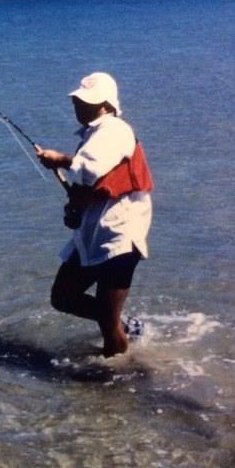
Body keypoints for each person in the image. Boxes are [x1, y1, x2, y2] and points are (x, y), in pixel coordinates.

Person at [34, 72, 153, 357]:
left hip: (120, 236)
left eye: (89, 102)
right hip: (92, 235)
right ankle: (127, 327)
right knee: (62, 297)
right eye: (78, 101)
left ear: (108, 104)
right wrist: (74, 208)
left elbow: (89, 168)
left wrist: (59, 159)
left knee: (107, 325)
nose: (80, 106)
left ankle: (118, 380)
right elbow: (90, 185)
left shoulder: (114, 129)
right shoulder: (93, 135)